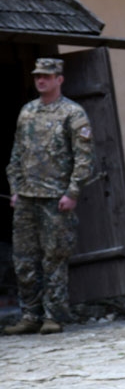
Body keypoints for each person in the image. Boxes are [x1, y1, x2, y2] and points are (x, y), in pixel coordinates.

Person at [3, 58, 94, 335]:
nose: (41, 80)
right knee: (24, 259)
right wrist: (15, 189)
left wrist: (73, 192)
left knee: (54, 258)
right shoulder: (27, 112)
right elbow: (17, 154)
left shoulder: (73, 113)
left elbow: (84, 157)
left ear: (59, 79)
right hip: (27, 198)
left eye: (46, 76)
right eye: (37, 76)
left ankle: (53, 316)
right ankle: (30, 315)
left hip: (56, 199)